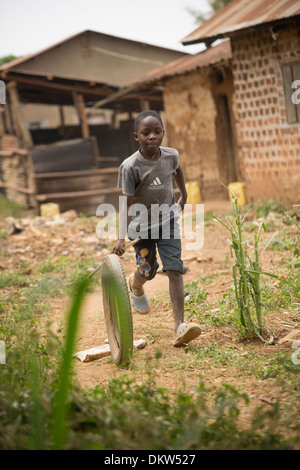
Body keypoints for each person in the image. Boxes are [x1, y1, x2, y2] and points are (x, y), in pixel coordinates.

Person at [112, 110, 201, 347]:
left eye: (157, 131)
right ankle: (137, 284)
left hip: (168, 221)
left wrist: (184, 192)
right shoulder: (130, 167)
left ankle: (179, 327)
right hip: (140, 228)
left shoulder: (171, 155)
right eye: (146, 132)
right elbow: (126, 203)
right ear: (136, 136)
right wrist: (121, 237)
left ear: (163, 132)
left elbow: (178, 169)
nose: (152, 136)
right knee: (148, 271)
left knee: (174, 269)